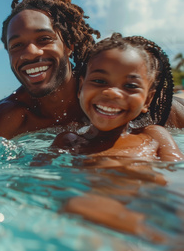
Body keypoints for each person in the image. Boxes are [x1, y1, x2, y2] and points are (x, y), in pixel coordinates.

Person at [0, 0, 184, 141]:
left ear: (69, 45)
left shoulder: (119, 97)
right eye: (17, 45)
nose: (30, 53)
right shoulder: (2, 123)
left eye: (44, 39)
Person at [51, 33, 184, 162]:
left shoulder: (154, 136)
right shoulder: (68, 142)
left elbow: (177, 174)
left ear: (147, 100)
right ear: (81, 88)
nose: (112, 92)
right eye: (100, 81)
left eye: (130, 86)